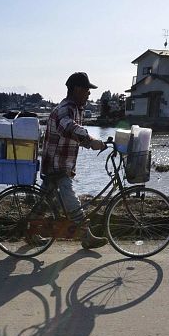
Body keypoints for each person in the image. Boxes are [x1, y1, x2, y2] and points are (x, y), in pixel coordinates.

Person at [37, 72, 108, 249]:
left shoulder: (75, 108)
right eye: (86, 89)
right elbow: (66, 126)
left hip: (57, 162)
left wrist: (87, 141)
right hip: (57, 164)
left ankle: (31, 231)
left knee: (45, 200)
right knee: (70, 198)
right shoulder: (66, 108)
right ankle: (87, 236)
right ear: (77, 89)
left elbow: (71, 133)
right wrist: (90, 141)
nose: (89, 93)